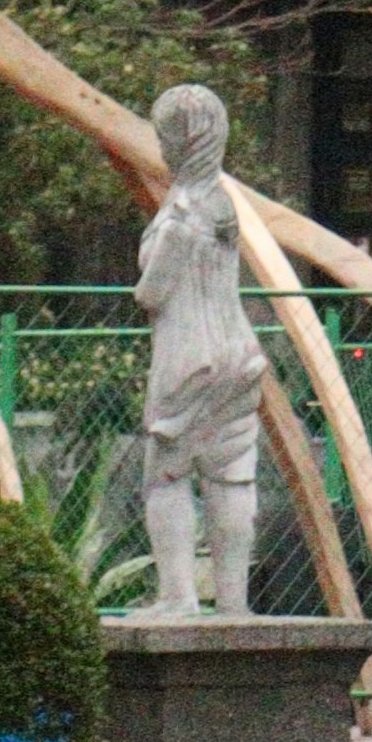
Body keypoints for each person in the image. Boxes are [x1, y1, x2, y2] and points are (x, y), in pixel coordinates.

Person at [135, 83, 267, 618]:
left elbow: (151, 292)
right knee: (232, 471)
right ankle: (234, 603)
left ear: (176, 141)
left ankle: (179, 597)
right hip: (239, 351)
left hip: (188, 358)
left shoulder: (184, 212)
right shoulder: (224, 202)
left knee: (164, 476)